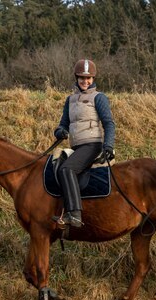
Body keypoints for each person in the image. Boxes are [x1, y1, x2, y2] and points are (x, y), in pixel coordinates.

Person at [53, 59, 115, 227]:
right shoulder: (70, 100)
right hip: (76, 147)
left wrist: (108, 145)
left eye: (89, 78)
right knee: (56, 166)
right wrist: (60, 132)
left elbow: (109, 123)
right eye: (82, 78)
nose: (85, 81)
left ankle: (74, 214)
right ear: (76, 77)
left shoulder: (99, 98)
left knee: (67, 169)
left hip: (92, 145)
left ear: (93, 79)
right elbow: (63, 124)